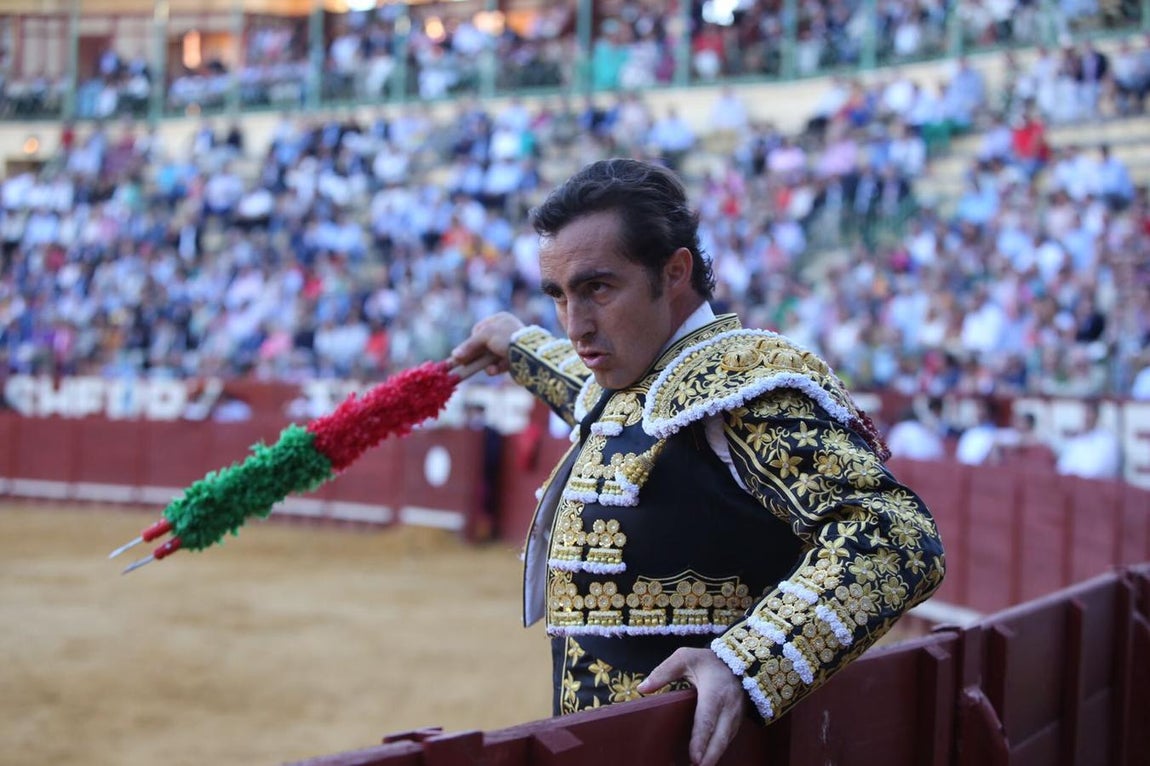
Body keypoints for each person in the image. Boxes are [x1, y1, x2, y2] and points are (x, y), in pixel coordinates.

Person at [450, 158, 945, 766]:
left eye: (597, 288)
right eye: (559, 296)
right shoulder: (633, 371)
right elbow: (589, 391)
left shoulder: (743, 383)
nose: (577, 326)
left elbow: (895, 535)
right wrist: (514, 341)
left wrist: (748, 660)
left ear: (675, 271)